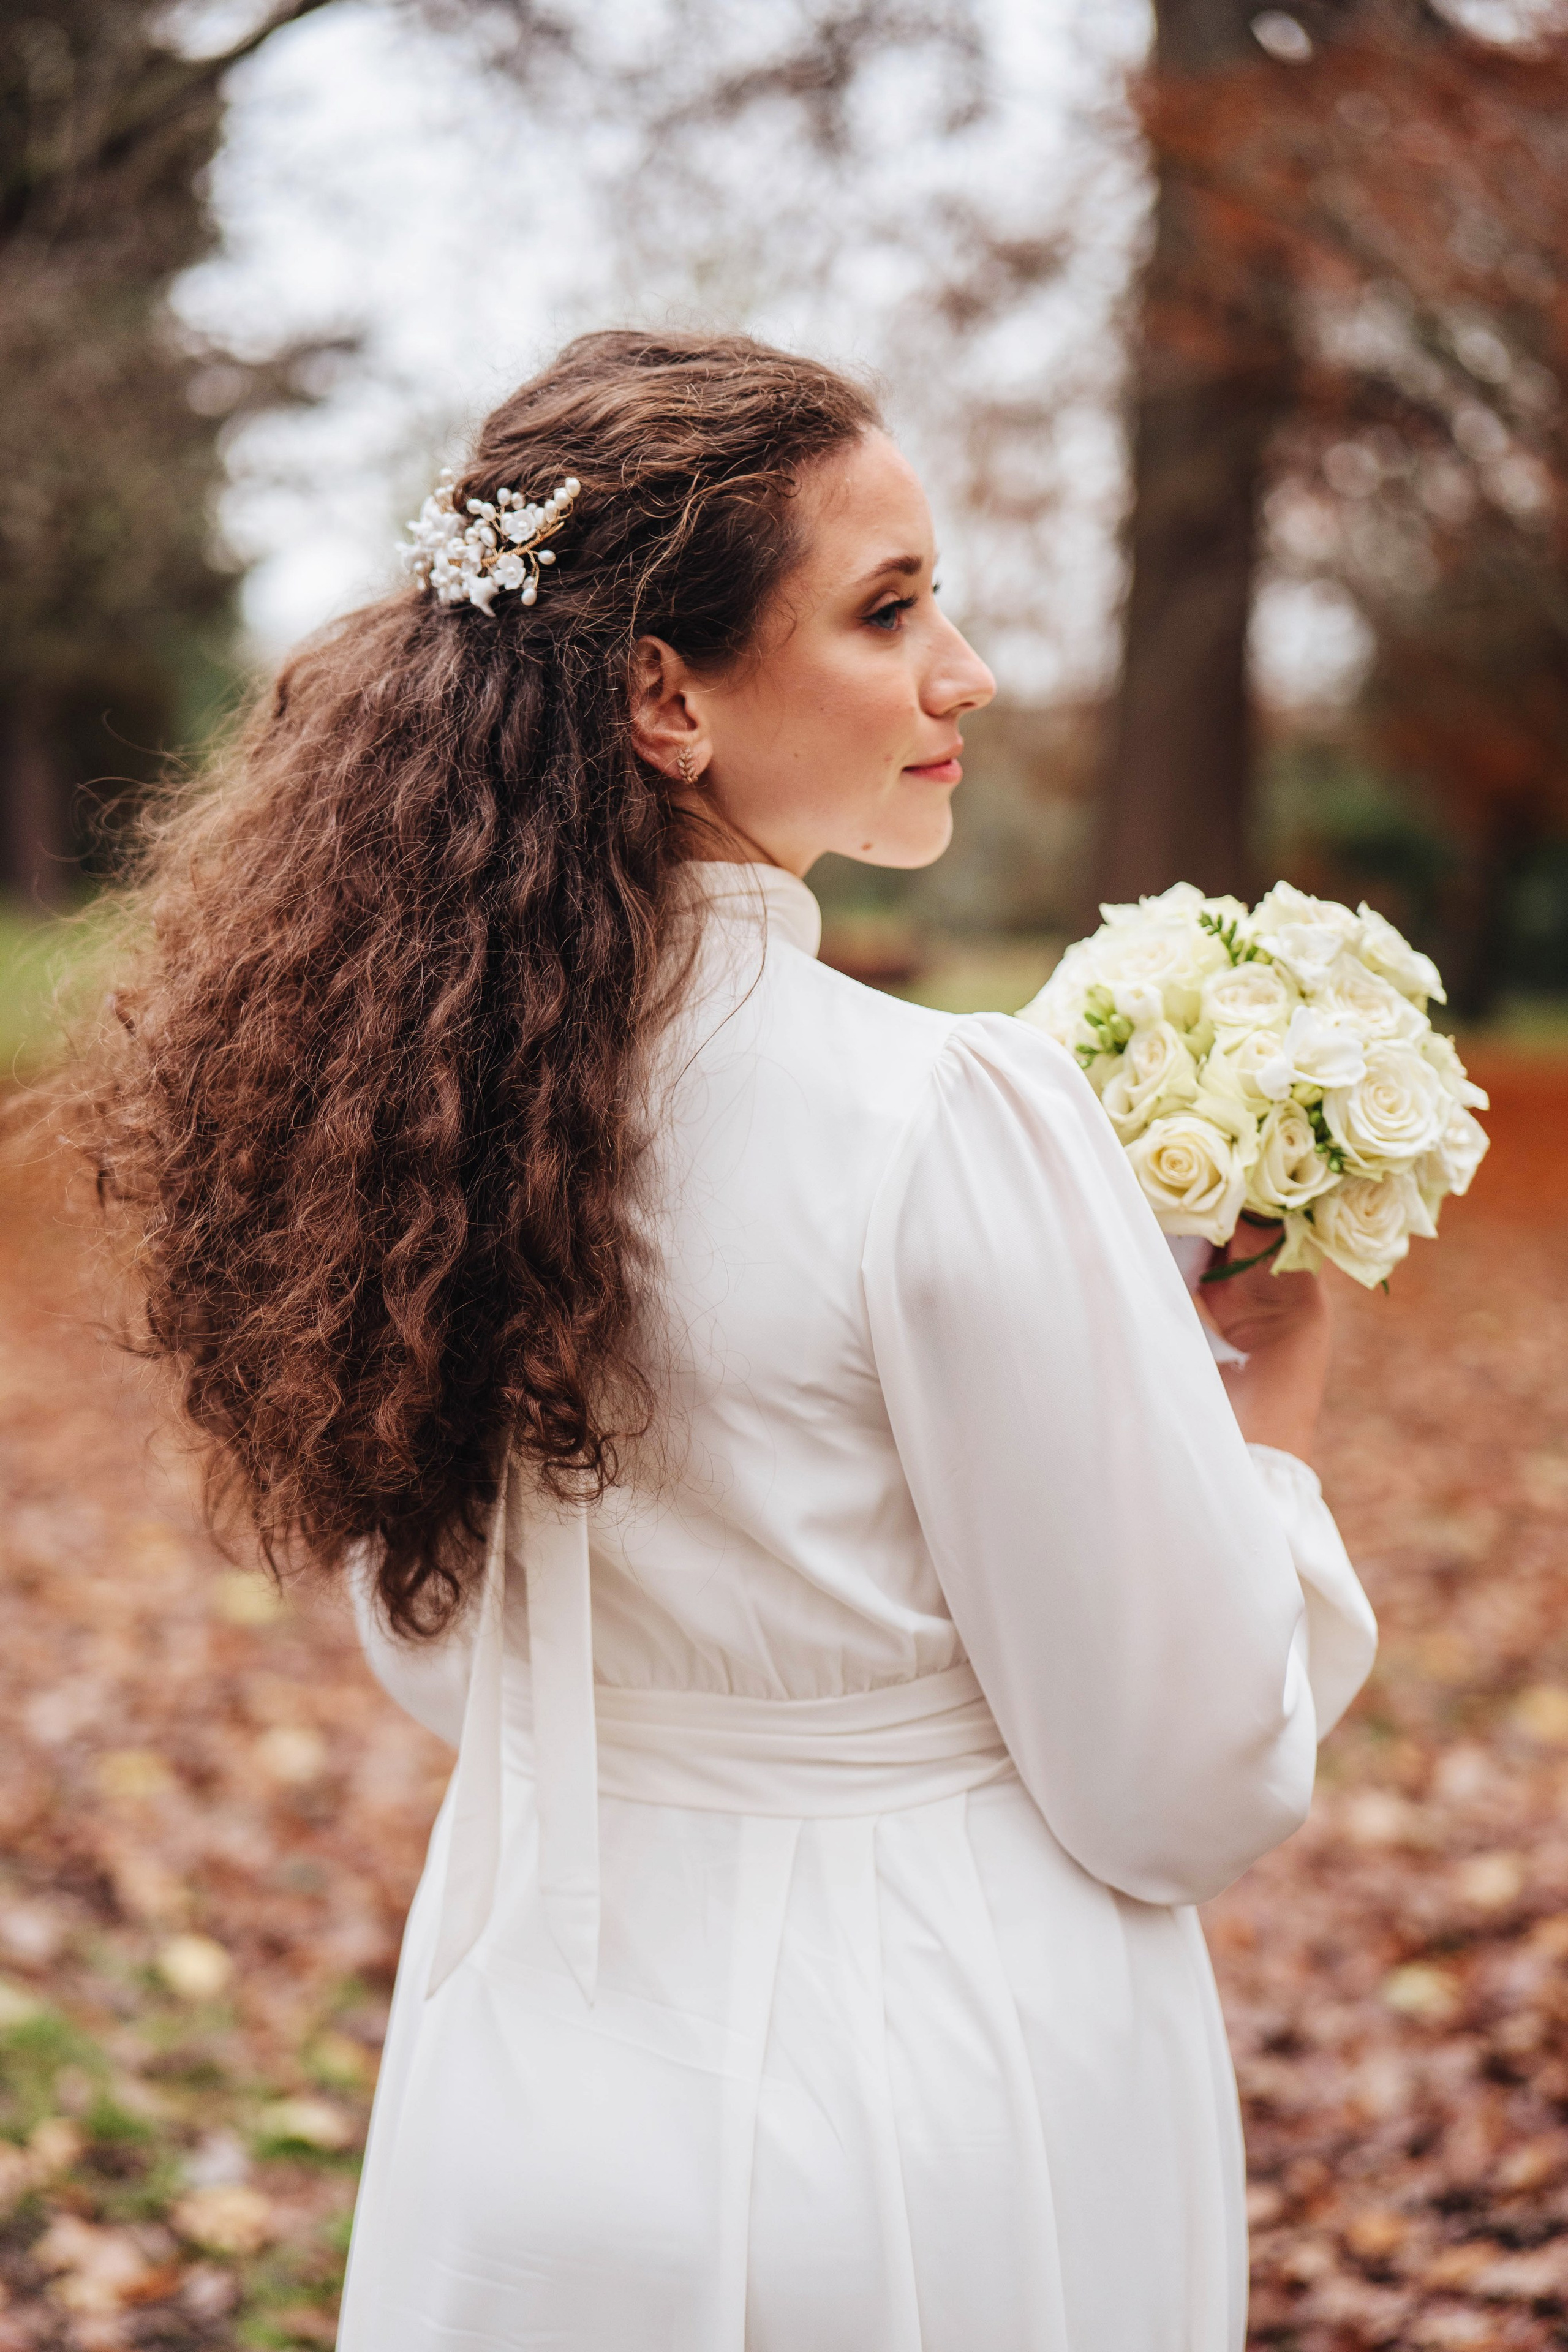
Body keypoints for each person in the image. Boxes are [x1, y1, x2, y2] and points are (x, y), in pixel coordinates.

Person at [86, 330, 1375, 2351]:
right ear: (663, 694)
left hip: (531, 2054)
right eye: (888, 607)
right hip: (929, 2077)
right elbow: (1178, 1776)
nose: (962, 669)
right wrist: (1268, 1426)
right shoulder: (948, 1112)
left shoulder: (402, 1114)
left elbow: (445, 1642)